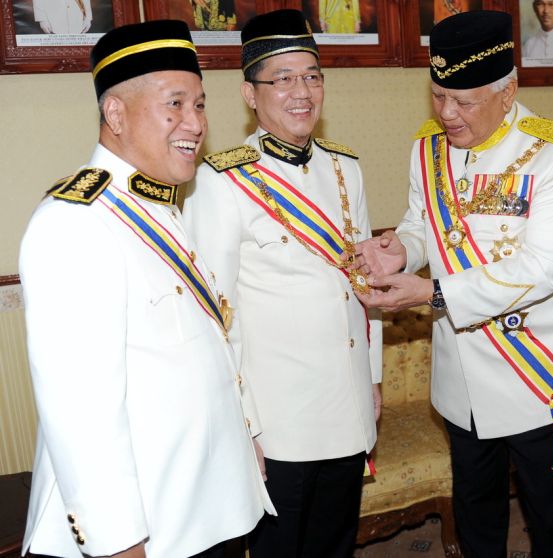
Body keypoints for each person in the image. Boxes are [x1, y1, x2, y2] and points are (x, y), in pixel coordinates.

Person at [19, 20, 274, 558]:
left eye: (200, 105)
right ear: (115, 114)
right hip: (148, 531)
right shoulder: (75, 223)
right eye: (175, 104)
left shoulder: (161, 206)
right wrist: (119, 543)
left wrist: (246, 436)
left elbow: (213, 343)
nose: (195, 122)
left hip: (207, 508)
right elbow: (81, 414)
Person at [354, 10, 553, 557]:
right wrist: (401, 251)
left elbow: (542, 268)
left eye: (463, 101)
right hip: (460, 376)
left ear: (508, 92)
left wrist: (432, 293)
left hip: (533, 372)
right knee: (476, 515)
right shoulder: (427, 149)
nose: (446, 114)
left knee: (552, 518)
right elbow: (422, 226)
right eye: (438, 96)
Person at [183, 9, 382, 558]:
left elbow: (365, 281)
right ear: (250, 94)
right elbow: (219, 318)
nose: (302, 92)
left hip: (348, 403)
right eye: (283, 79)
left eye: (312, 76)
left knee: (336, 544)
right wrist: (244, 425)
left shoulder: (347, 170)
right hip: (281, 419)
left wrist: (374, 374)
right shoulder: (219, 181)